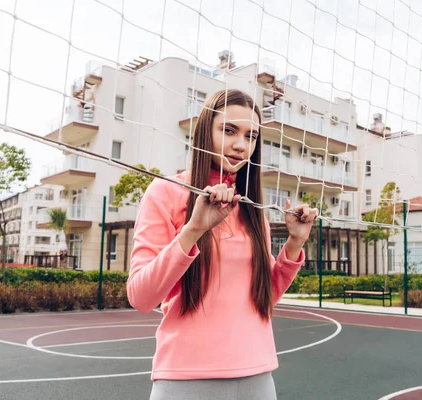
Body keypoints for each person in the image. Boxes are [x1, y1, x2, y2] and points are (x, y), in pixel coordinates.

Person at [127, 89, 318, 400]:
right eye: (229, 130)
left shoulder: (252, 209)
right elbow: (140, 297)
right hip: (186, 378)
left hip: (257, 377)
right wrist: (194, 229)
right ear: (205, 131)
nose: (241, 145)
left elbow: (263, 297)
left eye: (251, 136)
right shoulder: (165, 192)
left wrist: (295, 244)